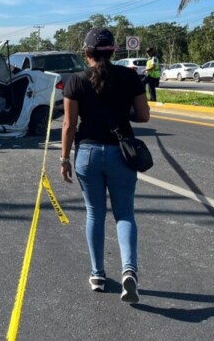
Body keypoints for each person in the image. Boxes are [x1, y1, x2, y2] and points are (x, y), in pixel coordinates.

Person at [61, 27, 150, 303]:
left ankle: (97, 274)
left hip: (87, 154)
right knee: (124, 214)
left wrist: (64, 158)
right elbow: (144, 116)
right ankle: (129, 271)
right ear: (113, 51)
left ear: (85, 52)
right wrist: (122, 112)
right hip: (121, 154)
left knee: (94, 214)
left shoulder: (75, 80)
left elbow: (69, 125)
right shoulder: (129, 77)